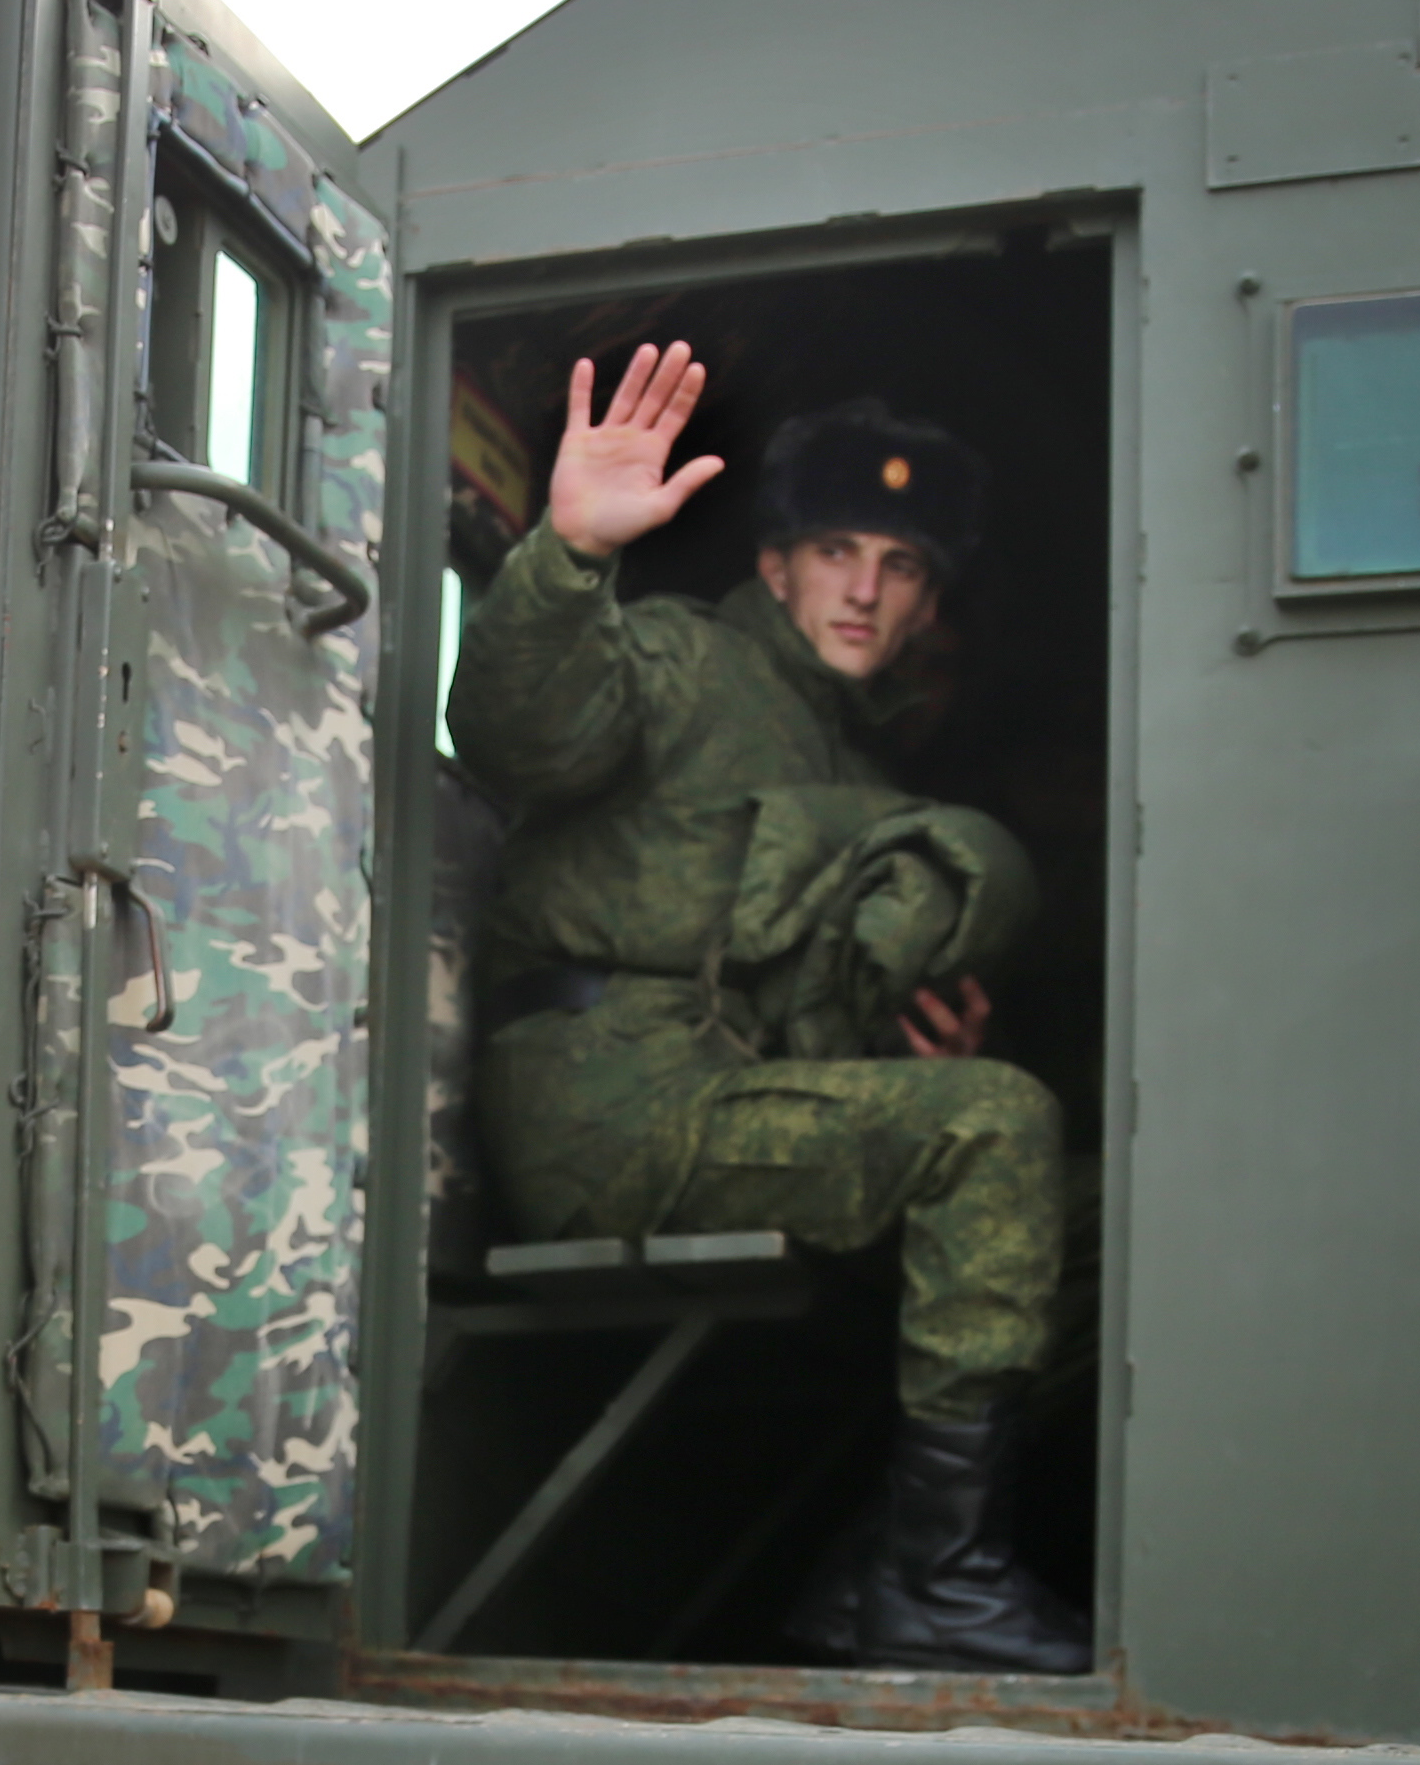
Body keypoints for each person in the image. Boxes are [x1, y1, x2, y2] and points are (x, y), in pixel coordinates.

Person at [448, 343, 1085, 1673]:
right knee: (992, 1127)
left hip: (719, 1103)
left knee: (1084, 1217)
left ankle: (877, 1565)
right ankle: (940, 1579)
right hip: (610, 1106)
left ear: (927, 602)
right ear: (778, 564)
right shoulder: (685, 658)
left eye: (900, 566)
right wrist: (572, 553)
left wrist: (917, 1055)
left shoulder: (864, 767)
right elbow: (521, 732)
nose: (865, 589)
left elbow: (794, 1004)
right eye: (838, 551)